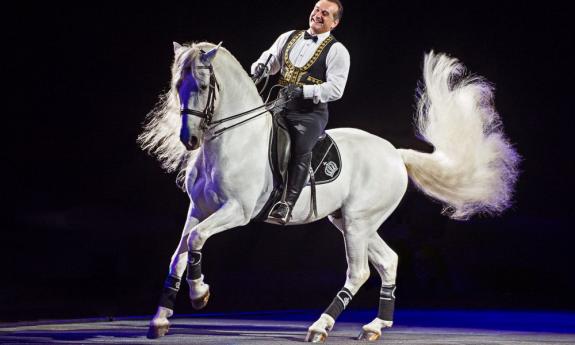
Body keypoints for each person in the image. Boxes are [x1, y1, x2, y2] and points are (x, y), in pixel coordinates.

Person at [251, 0, 350, 224]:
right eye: (316, 10)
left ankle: (287, 203)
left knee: (301, 147)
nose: (318, 15)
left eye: (325, 14)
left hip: (309, 114)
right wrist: (261, 67)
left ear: (334, 23)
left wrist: (305, 91)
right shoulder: (288, 37)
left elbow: (336, 89)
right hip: (280, 105)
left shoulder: (337, 51)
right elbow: (271, 59)